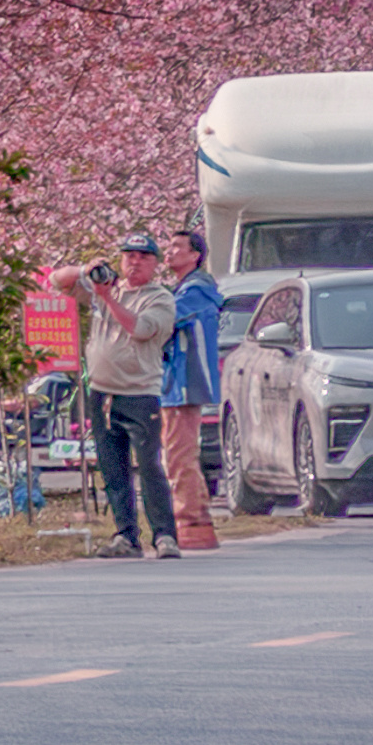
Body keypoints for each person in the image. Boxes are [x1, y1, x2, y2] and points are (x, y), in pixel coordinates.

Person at [74, 236, 174, 554]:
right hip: (103, 393)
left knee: (149, 466)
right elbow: (56, 281)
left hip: (140, 393)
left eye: (143, 257)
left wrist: (109, 300)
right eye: (129, 256)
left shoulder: (159, 298)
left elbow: (141, 329)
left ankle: (164, 535)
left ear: (155, 263)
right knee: (112, 467)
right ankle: (126, 535)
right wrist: (85, 270)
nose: (135, 262)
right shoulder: (104, 289)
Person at [155, 230, 228, 547]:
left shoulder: (196, 291)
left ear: (195, 255)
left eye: (177, 247)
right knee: (180, 454)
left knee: (179, 456)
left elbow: (163, 320)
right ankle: (196, 523)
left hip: (185, 384)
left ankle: (189, 522)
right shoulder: (183, 289)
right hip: (174, 385)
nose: (169, 253)